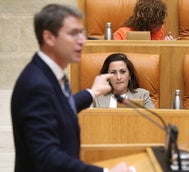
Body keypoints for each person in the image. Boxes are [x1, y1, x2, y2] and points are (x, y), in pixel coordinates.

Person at [11, 4, 132, 172]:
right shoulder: (36, 85)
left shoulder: (50, 72)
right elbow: (48, 157)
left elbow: (59, 109)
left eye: (81, 33)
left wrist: (92, 93)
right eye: (73, 34)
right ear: (49, 38)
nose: (82, 40)